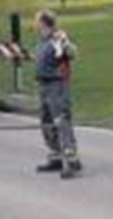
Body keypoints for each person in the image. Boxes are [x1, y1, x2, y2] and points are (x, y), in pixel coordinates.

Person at [33, 10, 82, 179]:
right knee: (46, 122)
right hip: (43, 85)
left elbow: (72, 53)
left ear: (44, 22)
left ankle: (71, 160)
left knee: (61, 120)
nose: (35, 23)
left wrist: (65, 45)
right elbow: (43, 59)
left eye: (37, 20)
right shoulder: (42, 40)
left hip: (57, 85)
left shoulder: (57, 37)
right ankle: (56, 158)